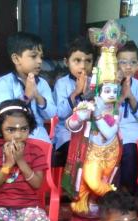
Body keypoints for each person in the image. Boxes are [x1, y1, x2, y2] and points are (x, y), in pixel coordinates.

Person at [0, 32, 56, 143]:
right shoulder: (6, 82)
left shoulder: (42, 83)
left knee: (47, 154)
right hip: (14, 134)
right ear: (16, 59)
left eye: (40, 57)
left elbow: (51, 113)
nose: (39, 61)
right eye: (33, 56)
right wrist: (26, 96)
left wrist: (38, 96)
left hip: (39, 134)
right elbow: (4, 113)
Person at [53, 36, 94, 167]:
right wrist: (76, 92)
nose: (83, 66)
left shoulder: (95, 83)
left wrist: (89, 93)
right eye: (77, 60)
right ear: (66, 62)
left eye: (88, 61)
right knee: (75, 152)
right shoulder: (61, 83)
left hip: (90, 131)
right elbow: (60, 113)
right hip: (66, 132)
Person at [116, 40, 138, 195]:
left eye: (132, 62)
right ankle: (126, 192)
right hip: (117, 127)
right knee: (129, 151)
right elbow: (106, 112)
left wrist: (132, 97)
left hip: (136, 129)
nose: (128, 66)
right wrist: (122, 96)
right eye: (123, 62)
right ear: (115, 64)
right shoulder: (110, 83)